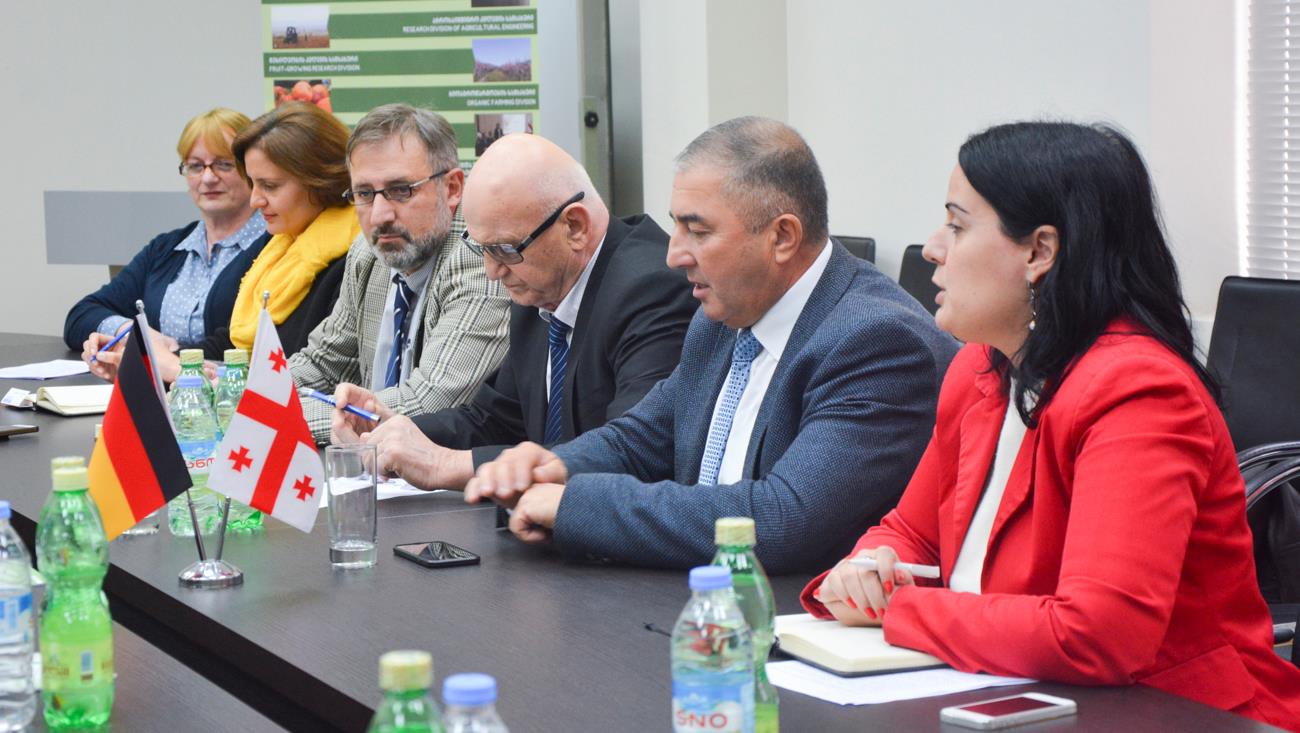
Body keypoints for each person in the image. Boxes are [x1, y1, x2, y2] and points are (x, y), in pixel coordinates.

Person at [800, 122, 1300, 729]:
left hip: (1181, 715)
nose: (932, 248)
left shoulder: (1140, 392)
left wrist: (901, 609)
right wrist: (867, 568)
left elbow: (1097, 634)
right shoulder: (979, 368)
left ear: (1039, 252)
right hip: (1012, 695)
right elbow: (911, 533)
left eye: (957, 226)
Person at [464, 117, 958, 574]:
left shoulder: (878, 341)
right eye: (676, 226)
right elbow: (644, 436)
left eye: (697, 231)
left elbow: (783, 520)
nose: (674, 254)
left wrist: (574, 504)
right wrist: (556, 466)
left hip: (791, 618)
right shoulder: (721, 317)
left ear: (782, 237)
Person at [330, 132, 697, 491]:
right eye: (482, 249)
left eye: (504, 249)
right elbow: (496, 420)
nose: (492, 271)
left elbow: (628, 453)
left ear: (575, 226)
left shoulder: (652, 290)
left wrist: (444, 465)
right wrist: (398, 432)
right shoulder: (539, 283)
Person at [286, 104, 511, 444]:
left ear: (452, 188)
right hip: (373, 464)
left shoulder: (479, 257)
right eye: (364, 194)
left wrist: (274, 415)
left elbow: (423, 405)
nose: (380, 216)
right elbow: (322, 363)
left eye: (401, 190)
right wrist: (250, 395)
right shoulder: (369, 253)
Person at [69, 108, 269, 374]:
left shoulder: (273, 247)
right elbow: (81, 315)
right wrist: (130, 332)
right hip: (162, 388)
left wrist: (148, 357)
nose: (208, 178)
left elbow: (238, 342)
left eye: (224, 164)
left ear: (250, 170)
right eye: (196, 166)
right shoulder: (168, 248)